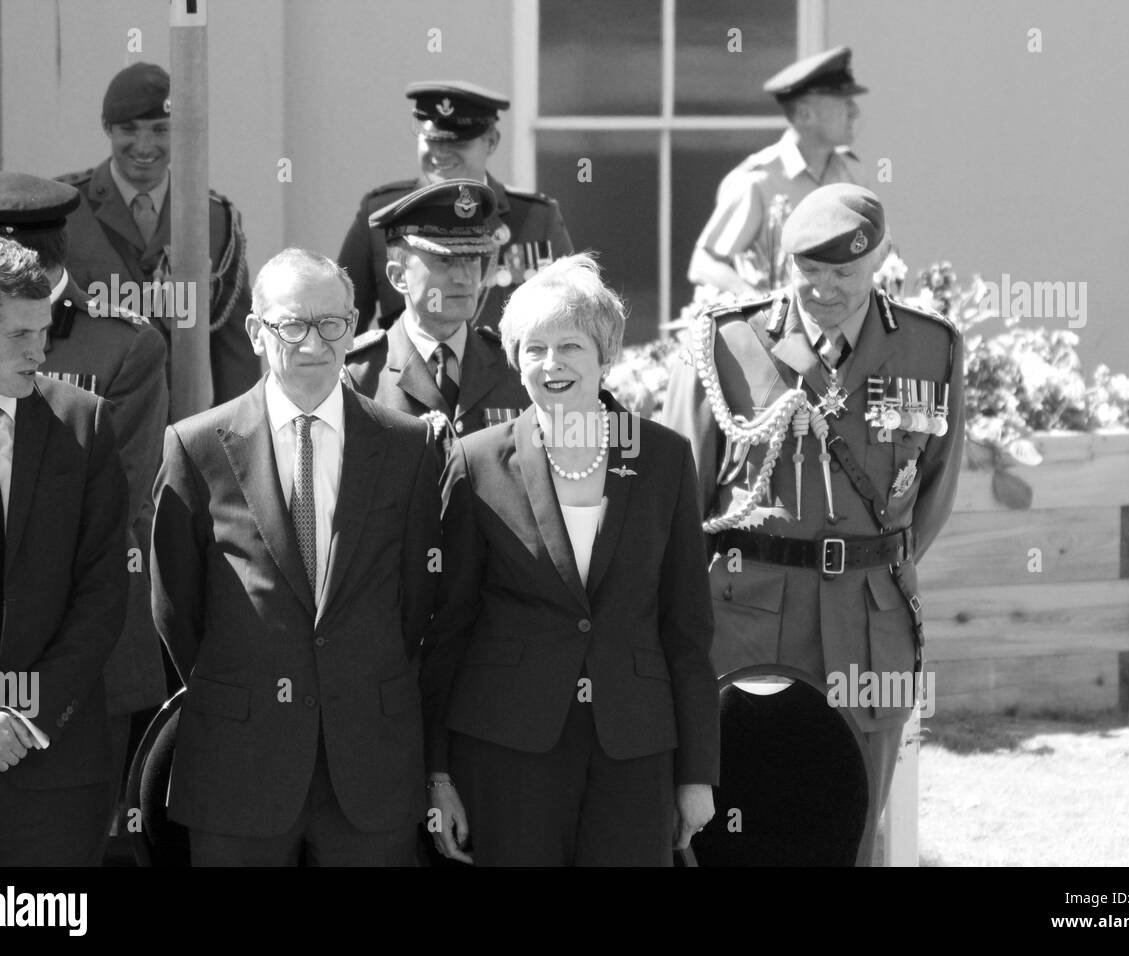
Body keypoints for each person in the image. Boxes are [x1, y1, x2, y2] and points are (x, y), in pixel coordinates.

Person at [665, 184, 964, 865]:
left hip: (866, 629)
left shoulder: (930, 349)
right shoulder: (727, 342)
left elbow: (934, 495)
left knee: (845, 828)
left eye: (844, 274)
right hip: (747, 622)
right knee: (722, 831)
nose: (824, 290)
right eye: (810, 272)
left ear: (879, 260)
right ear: (785, 264)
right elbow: (679, 504)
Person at [421, 253, 719, 867]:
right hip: (507, 746)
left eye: (571, 346)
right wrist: (439, 775)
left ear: (604, 356)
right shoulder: (475, 461)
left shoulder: (663, 459)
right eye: (534, 348)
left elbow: (687, 629)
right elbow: (446, 629)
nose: (551, 364)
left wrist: (697, 775)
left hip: (633, 747)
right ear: (515, 360)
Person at [150, 248, 441, 866]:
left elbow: (416, 604)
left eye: (332, 323)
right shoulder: (197, 446)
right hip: (240, 761)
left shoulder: (408, 446)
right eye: (292, 325)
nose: (314, 342)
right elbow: (176, 608)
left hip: (369, 763)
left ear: (354, 323)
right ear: (256, 331)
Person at [0, 169, 169, 845]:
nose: (42, 351)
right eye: (20, 336)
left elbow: (103, 586)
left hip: (54, 750)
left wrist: (18, 716)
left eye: (44, 330)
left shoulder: (82, 421)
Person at [57, 62, 257, 405]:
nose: (144, 146)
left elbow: (234, 343)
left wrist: (236, 436)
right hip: (94, 417)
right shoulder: (66, 210)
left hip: (180, 415)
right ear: (107, 128)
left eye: (160, 130)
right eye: (129, 130)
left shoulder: (213, 217)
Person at [338, 80, 573, 334]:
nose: (441, 154)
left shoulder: (536, 217)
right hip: (408, 370)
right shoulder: (380, 214)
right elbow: (343, 321)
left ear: (492, 141)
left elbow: (572, 317)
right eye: (432, 140)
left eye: (458, 144)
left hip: (504, 371)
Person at [343, 179, 528, 446]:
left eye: (472, 258)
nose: (464, 278)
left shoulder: (515, 365)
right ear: (398, 276)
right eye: (445, 260)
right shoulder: (358, 375)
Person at [687, 46, 872, 300]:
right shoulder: (758, 180)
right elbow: (704, 264)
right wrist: (762, 305)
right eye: (845, 103)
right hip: (778, 335)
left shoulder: (852, 173)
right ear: (806, 113)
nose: (855, 112)